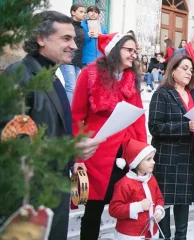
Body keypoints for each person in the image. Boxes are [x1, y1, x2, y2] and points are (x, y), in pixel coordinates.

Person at [1, 10, 103, 239]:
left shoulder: (53, 77)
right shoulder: (19, 73)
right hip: (26, 200)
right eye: (66, 38)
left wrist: (72, 160)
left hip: (52, 192)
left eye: (74, 40)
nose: (75, 46)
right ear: (41, 38)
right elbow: (11, 143)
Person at [72, 32, 147, 239]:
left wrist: (142, 152)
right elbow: (77, 116)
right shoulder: (89, 74)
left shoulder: (131, 79)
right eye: (129, 50)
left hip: (126, 152)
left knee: (126, 206)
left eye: (135, 51)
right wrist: (79, 154)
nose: (133, 55)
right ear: (115, 50)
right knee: (93, 208)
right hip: (97, 153)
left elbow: (138, 118)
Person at [149, 54, 194, 240]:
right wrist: (186, 126)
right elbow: (155, 126)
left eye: (191, 70)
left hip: (190, 157)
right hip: (168, 159)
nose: (188, 72)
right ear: (173, 70)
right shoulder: (162, 93)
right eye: (184, 68)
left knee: (184, 204)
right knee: (165, 204)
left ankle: (181, 237)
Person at [109, 139, 165, 240]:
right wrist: (139, 206)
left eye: (153, 158)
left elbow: (159, 198)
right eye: (148, 159)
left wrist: (159, 210)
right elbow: (114, 209)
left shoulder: (151, 179)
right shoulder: (124, 184)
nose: (153, 162)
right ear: (137, 162)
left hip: (151, 233)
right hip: (130, 235)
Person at [59, 4, 86, 103]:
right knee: (71, 87)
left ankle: (71, 111)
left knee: (75, 87)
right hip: (67, 59)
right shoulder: (67, 25)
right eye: (81, 12)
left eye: (84, 12)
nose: (84, 14)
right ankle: (69, 113)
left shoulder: (82, 28)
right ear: (73, 12)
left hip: (77, 61)